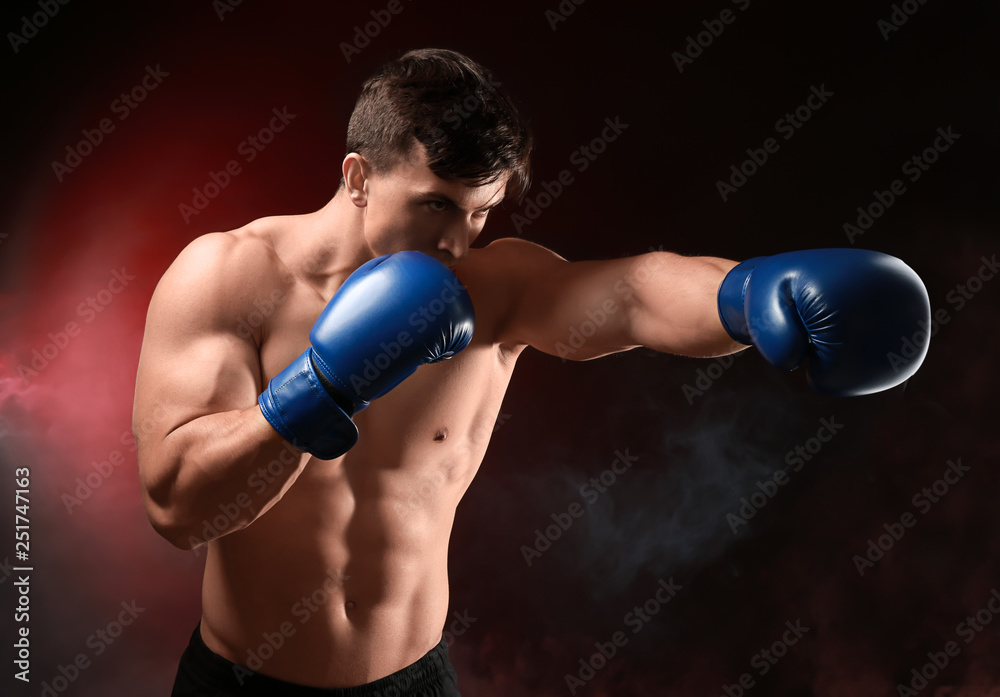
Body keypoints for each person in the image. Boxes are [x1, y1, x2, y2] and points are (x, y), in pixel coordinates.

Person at [132, 48, 930, 696]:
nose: (457, 243)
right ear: (357, 177)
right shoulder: (229, 278)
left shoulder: (494, 288)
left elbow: (631, 293)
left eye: (481, 212)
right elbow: (177, 506)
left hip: (415, 680)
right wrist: (324, 385)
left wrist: (745, 292)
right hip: (245, 682)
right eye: (437, 205)